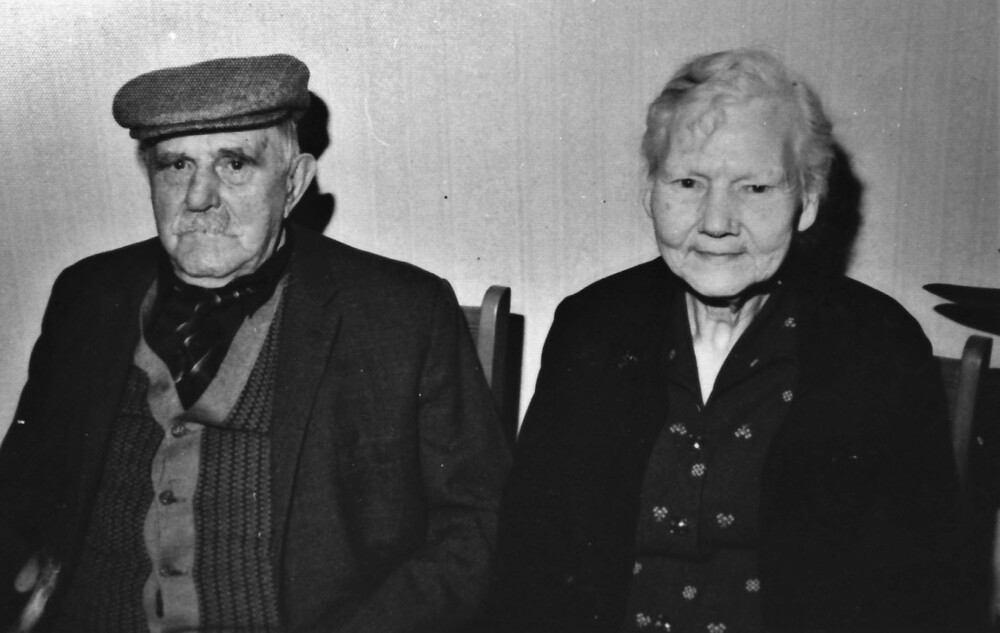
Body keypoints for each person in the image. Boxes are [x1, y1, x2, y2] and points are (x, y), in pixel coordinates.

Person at [0, 54, 509, 632]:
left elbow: (478, 525)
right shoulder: (88, 294)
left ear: (293, 183)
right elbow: (20, 492)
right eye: (176, 166)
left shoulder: (400, 311)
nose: (199, 197)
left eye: (235, 164)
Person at [489, 49, 964, 632]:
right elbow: (527, 567)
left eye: (755, 188)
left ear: (808, 200)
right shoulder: (592, 325)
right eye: (688, 182)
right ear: (650, 191)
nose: (716, 222)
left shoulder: (878, 346)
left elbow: (920, 594)